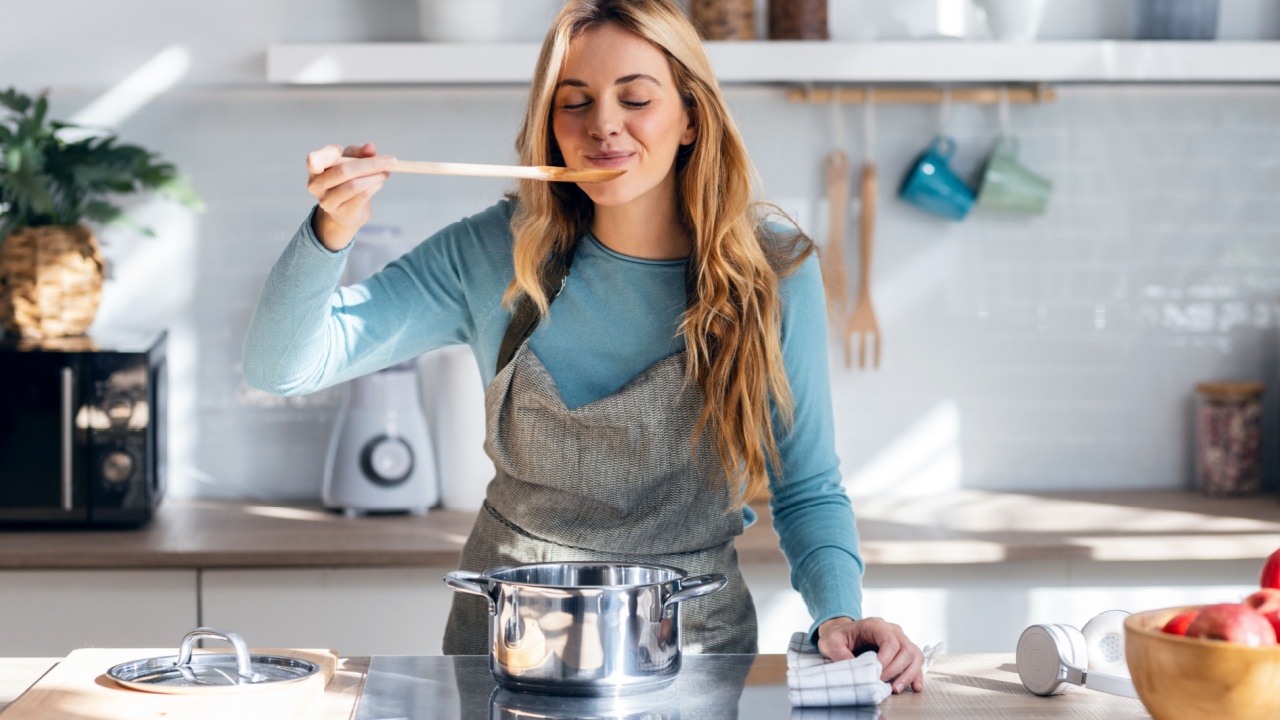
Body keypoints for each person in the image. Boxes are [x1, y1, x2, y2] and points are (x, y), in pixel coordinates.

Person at [243, 0, 925, 693]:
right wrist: (331, 229)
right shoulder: (493, 254)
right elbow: (281, 366)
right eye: (575, 103)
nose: (604, 124)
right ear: (552, 129)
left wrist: (839, 614)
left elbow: (807, 488)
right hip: (507, 653)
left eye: (635, 98)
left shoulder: (771, 270)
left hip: (692, 655)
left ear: (691, 116)